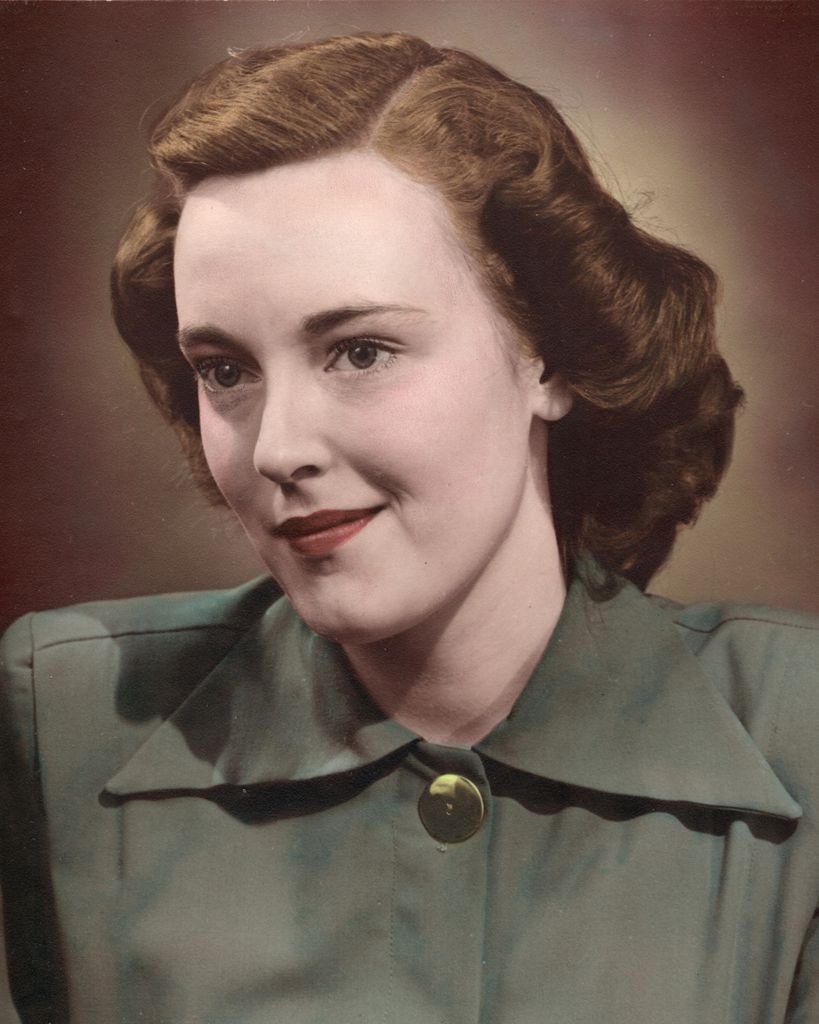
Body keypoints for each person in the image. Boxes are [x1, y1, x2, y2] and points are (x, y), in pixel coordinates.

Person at [1, 31, 817, 1024]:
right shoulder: (62, 725)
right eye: (225, 371)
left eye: (360, 351)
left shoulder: (799, 730)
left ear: (549, 355)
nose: (277, 449)